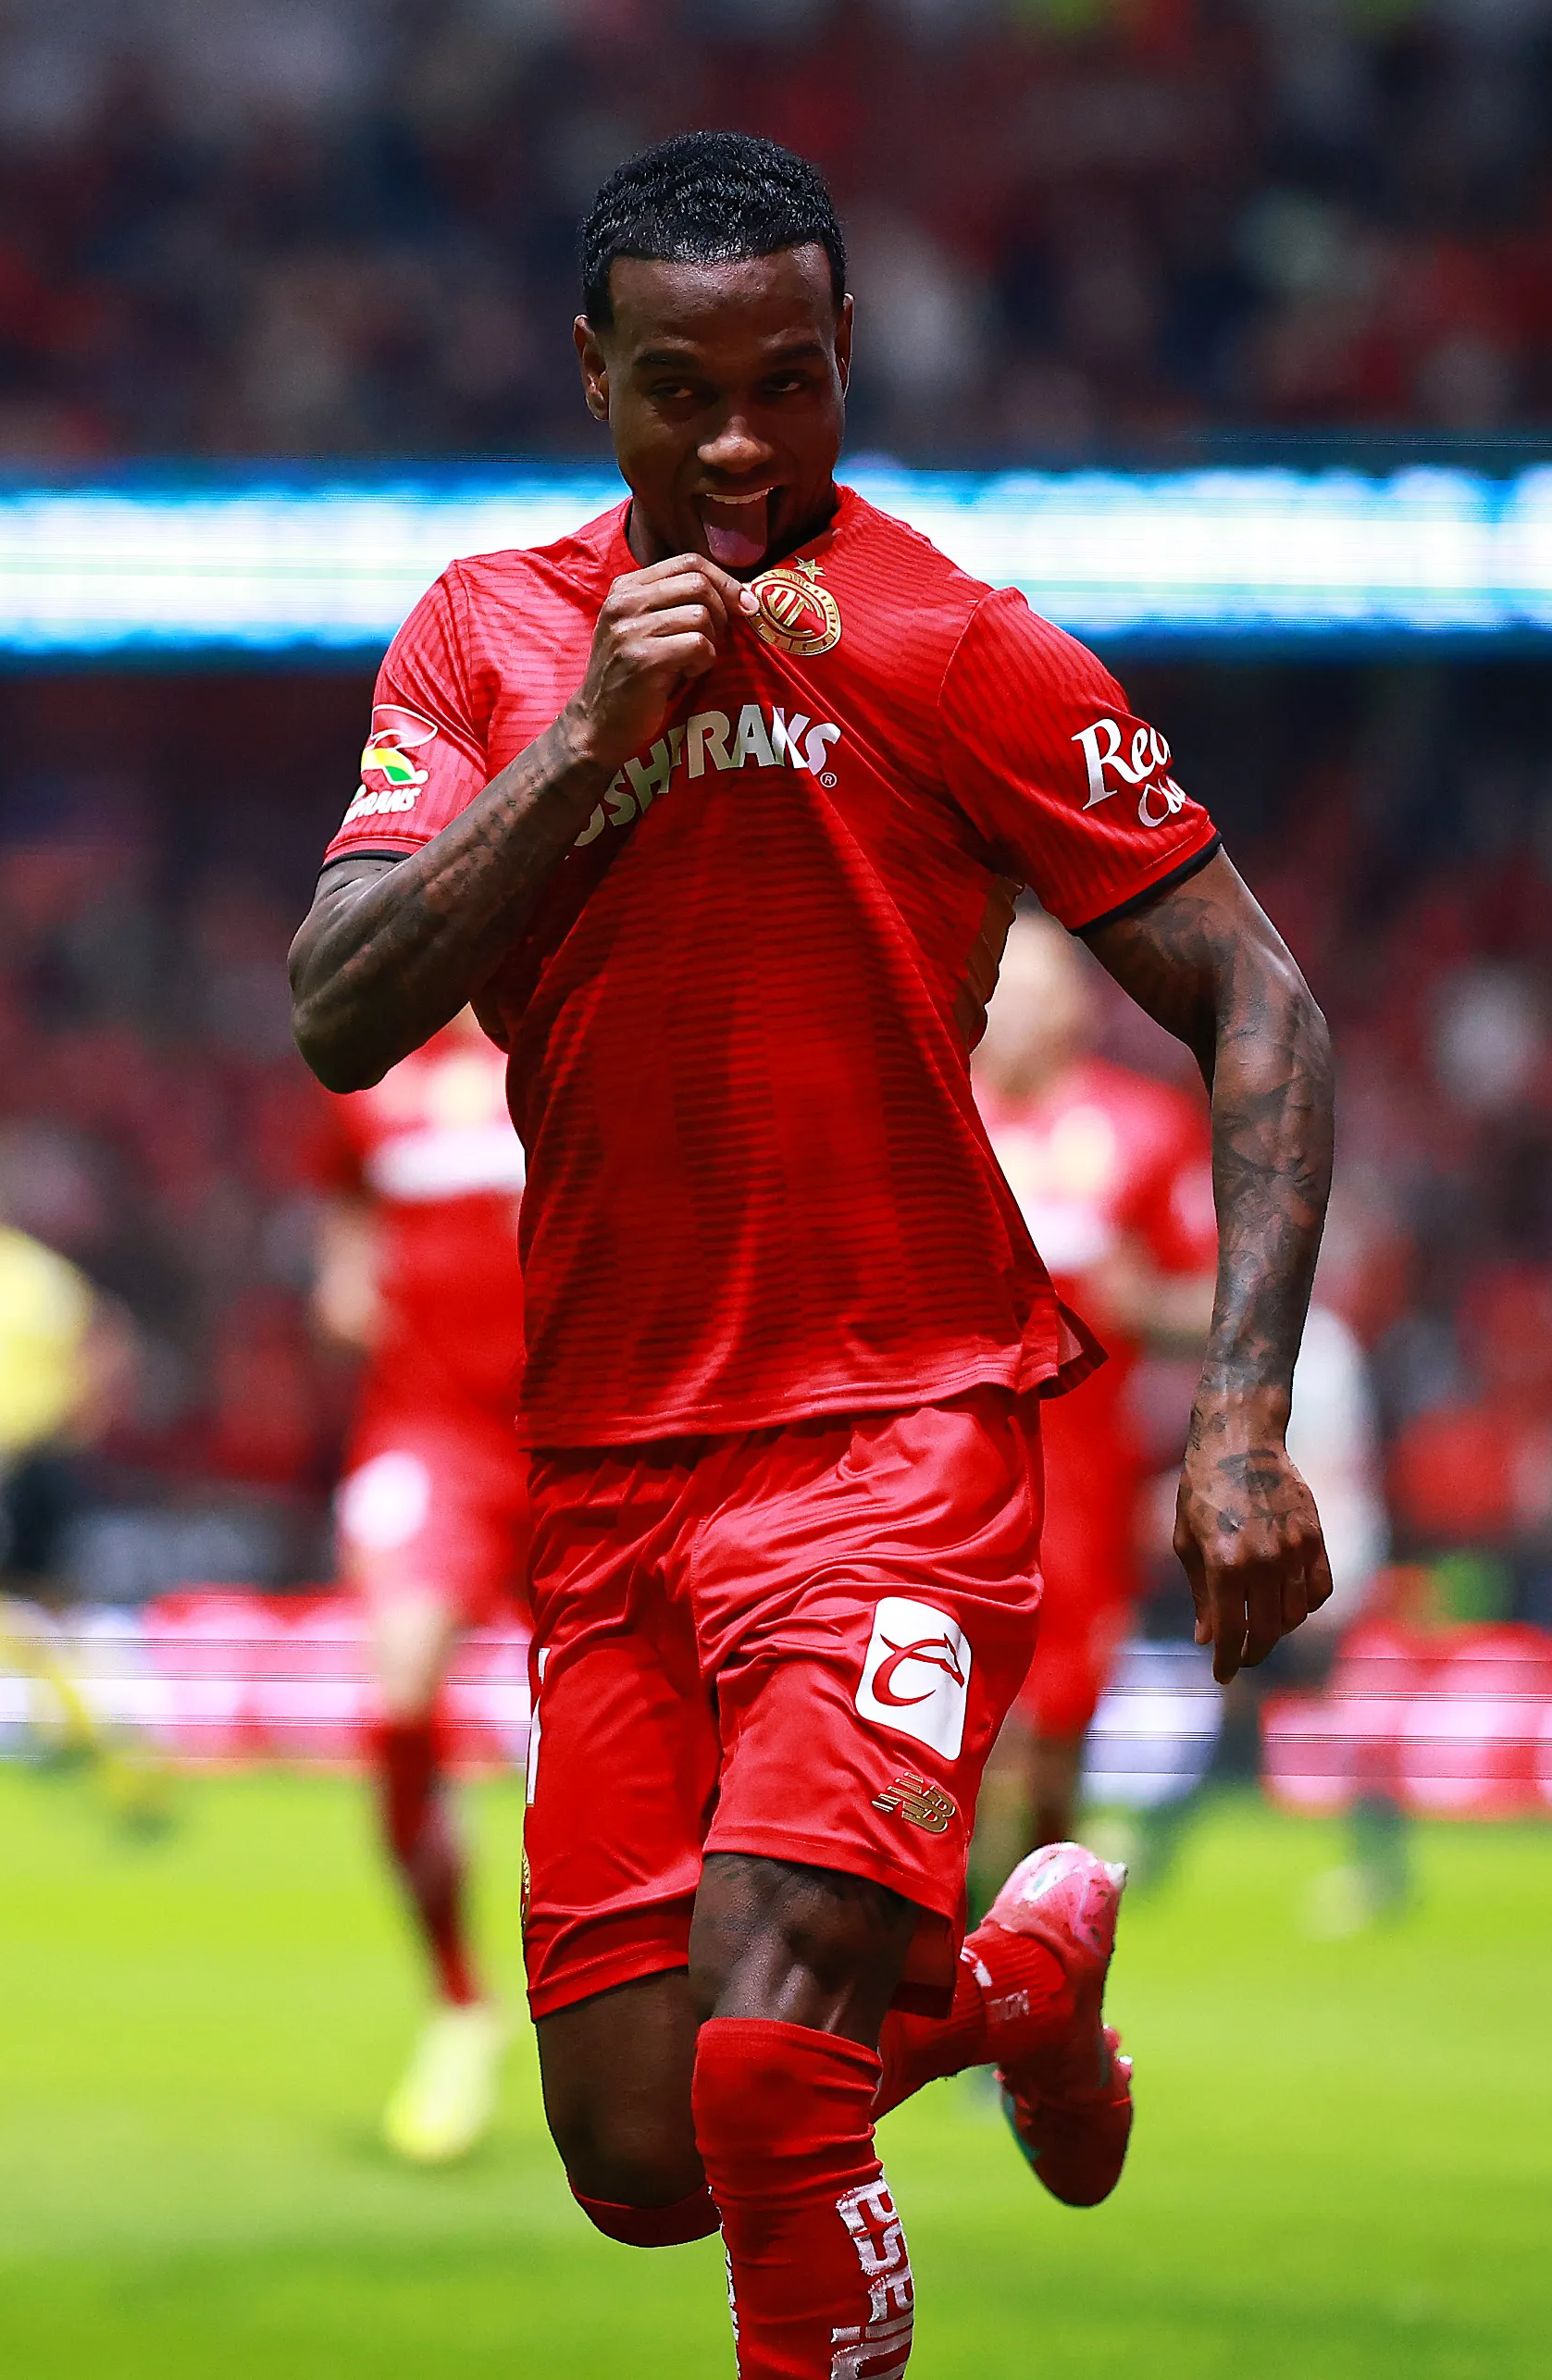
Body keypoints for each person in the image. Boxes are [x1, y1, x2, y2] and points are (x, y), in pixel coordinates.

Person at [285, 131, 1334, 2380]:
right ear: (591, 378)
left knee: (766, 2084)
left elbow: (1261, 1001)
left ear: (849, 353)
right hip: (606, 1477)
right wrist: (589, 738)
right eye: (682, 389)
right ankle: (1010, 1990)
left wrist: (1239, 1418)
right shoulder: (485, 641)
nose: (741, 440)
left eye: (788, 379)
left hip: (895, 1434)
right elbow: (337, 1005)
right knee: (639, 2150)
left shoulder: (956, 644)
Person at [312, 1009, 530, 2164]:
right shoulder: (370, 1071)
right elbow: (344, 1225)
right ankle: (457, 2002)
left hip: (574, 1436)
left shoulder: (563, 1035)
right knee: (397, 1698)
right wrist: (349, 1281)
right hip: (429, 1436)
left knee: (630, 1749)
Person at [970, 909, 1214, 1877]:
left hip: (1077, 1488)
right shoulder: (923, 1109)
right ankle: (949, 1964)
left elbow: (1221, 1294)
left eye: (1038, 992)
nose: (1017, 1013)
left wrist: (1144, 1298)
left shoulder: (1143, 1128)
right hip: (928, 1473)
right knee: (947, 1734)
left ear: (1077, 1007)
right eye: (1002, 990)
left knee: (1049, 1748)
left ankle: (1030, 1943)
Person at [0, 1162, 171, 1829]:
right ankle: (110, 1757)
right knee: (50, 1613)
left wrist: (78, 1416)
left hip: (21, 1462)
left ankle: (74, 1732)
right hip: (0, 1464)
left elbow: (101, 1337)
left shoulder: (14, 1272)